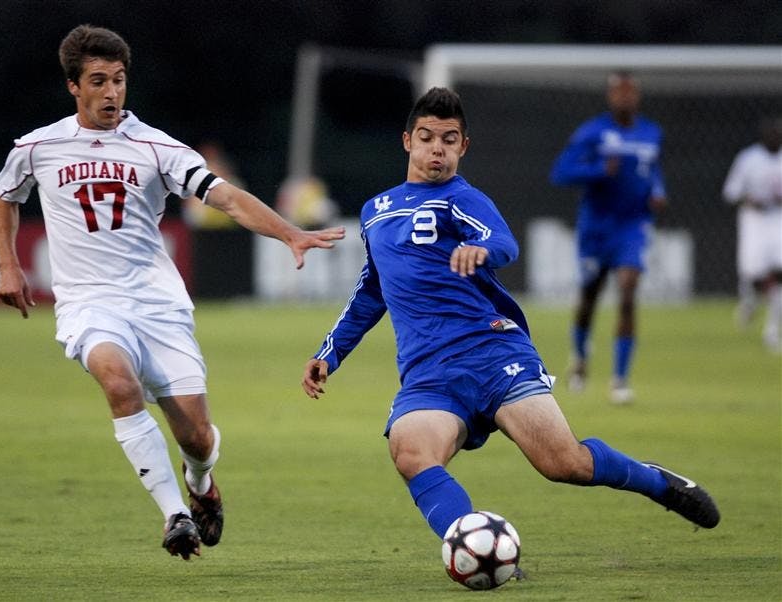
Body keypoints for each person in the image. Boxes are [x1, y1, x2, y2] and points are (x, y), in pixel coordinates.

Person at [301, 87, 719, 556]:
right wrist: (328, 354)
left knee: (563, 463)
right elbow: (372, 290)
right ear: (407, 142)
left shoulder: (463, 199)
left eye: (449, 139)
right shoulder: (375, 213)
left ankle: (657, 482)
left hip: (493, 353)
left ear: (463, 147)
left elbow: (503, 242)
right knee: (411, 452)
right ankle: (476, 550)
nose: (437, 148)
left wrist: (483, 250)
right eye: (427, 137)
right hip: (428, 373)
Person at [0, 24, 345, 561]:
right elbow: (4, 195)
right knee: (117, 380)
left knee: (197, 438)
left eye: (119, 80)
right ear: (73, 87)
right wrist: (8, 266)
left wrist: (289, 231)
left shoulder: (156, 146)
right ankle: (174, 515)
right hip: (89, 303)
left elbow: (225, 198)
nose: (112, 93)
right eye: (99, 81)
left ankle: (201, 485)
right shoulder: (38, 146)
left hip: (158, 304)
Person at [549, 71, 667, 404]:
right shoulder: (592, 133)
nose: (625, 98)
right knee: (589, 297)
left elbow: (653, 171)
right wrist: (599, 170)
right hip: (597, 228)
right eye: (620, 92)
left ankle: (619, 379)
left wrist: (658, 191)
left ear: (637, 96)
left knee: (628, 291)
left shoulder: (651, 133)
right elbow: (560, 172)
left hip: (633, 226)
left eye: (631, 92)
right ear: (610, 97)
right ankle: (580, 357)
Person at [721, 116, 782, 353]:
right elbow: (730, 192)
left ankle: (771, 330)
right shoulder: (749, 158)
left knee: (778, 274)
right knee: (754, 276)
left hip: (778, 219)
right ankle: (750, 301)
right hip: (753, 220)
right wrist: (750, 199)